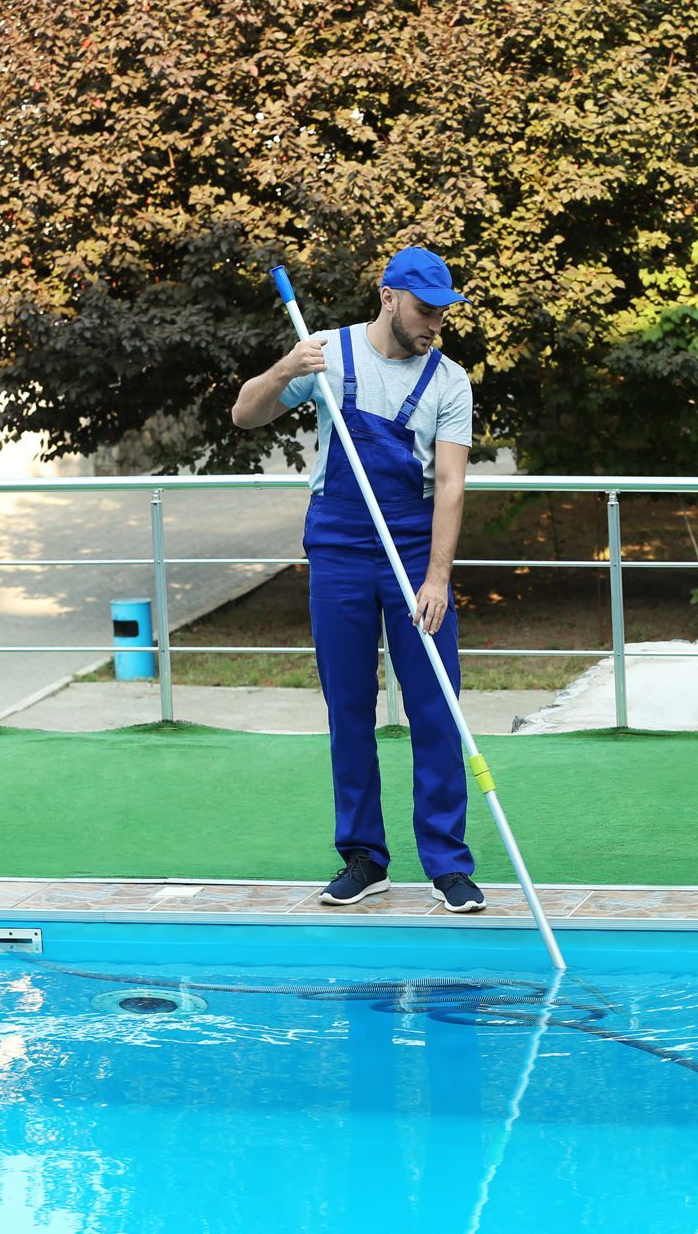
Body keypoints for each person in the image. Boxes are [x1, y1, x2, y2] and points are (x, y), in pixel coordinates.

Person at [232, 246, 486, 913]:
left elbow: (453, 484)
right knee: (350, 709)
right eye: (425, 310)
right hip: (340, 549)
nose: (434, 323)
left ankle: (447, 864)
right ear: (388, 297)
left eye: (442, 313)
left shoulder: (449, 381)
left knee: (435, 709)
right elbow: (245, 414)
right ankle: (364, 858)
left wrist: (436, 579)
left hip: (412, 552)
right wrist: (286, 367)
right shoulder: (325, 355)